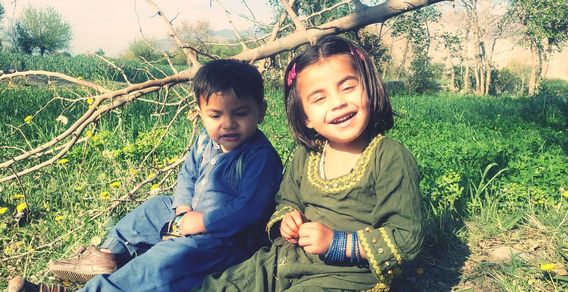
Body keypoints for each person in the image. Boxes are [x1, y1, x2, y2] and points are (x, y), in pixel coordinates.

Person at [8, 59, 283, 291]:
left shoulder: (260, 157)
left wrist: (202, 223)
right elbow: (188, 175)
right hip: (191, 218)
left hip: (226, 242)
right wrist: (182, 207)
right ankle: (109, 254)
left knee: (164, 260)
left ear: (261, 112)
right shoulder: (204, 141)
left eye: (240, 113)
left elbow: (247, 210)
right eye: (215, 115)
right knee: (155, 207)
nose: (228, 124)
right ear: (200, 114)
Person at [200, 36, 424, 292]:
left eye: (348, 87)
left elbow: (407, 238)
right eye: (319, 98)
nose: (338, 103)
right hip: (286, 261)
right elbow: (287, 201)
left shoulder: (389, 156)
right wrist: (288, 220)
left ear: (370, 89)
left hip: (345, 276)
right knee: (221, 285)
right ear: (305, 116)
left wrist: (336, 243)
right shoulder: (307, 155)